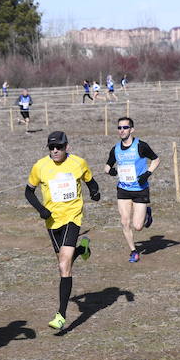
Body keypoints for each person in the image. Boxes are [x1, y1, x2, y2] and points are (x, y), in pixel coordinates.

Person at [24, 131, 100, 329]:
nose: (55, 150)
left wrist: (95, 192)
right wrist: (41, 209)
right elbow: (28, 191)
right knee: (63, 262)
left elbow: (91, 181)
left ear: (67, 147)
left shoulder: (78, 163)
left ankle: (61, 315)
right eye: (51, 147)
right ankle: (82, 250)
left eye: (59, 147)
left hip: (72, 217)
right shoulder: (40, 166)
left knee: (64, 265)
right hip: (52, 221)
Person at [104, 117, 159, 263]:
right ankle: (133, 251)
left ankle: (147, 215)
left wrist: (147, 174)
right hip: (123, 190)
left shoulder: (141, 146)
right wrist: (111, 172)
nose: (122, 130)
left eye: (125, 127)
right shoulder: (115, 149)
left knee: (138, 226)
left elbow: (156, 159)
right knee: (124, 221)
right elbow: (107, 167)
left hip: (140, 189)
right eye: (119, 128)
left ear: (131, 129)